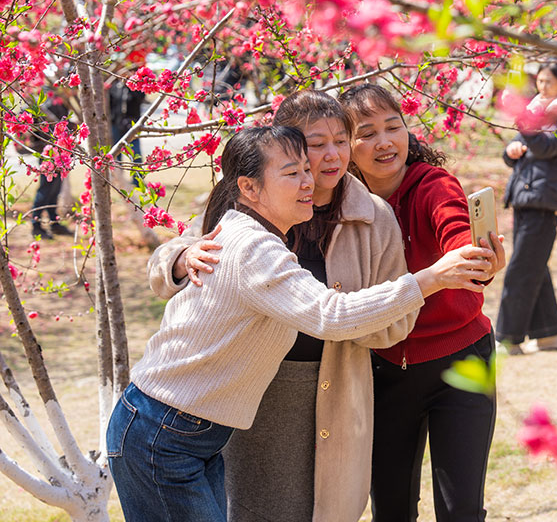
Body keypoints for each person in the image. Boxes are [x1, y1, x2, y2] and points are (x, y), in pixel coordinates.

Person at [108, 126, 498, 522]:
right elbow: (332, 315)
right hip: (162, 432)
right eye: (292, 173)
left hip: (181, 431)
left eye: (305, 171)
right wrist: (431, 278)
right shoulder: (254, 248)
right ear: (249, 187)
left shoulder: (253, 234)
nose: (309, 182)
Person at [146, 90, 430, 522]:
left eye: (341, 139)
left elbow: (398, 325)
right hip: (250, 390)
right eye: (316, 144)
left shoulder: (373, 216)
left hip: (333, 385)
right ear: (287, 146)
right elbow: (181, 253)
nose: (333, 155)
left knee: (321, 509)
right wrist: (180, 258)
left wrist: (339, 314)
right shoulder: (247, 196)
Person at [339, 84, 506, 522]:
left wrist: (476, 261)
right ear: (348, 147)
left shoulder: (433, 185)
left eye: (393, 127)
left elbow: (455, 228)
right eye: (367, 133)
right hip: (383, 370)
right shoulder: (345, 207)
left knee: (461, 509)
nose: (384, 141)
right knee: (391, 509)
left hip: (461, 361)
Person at [494, 60, 557, 355]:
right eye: (540, 82)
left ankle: (508, 338)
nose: (542, 88)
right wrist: (511, 151)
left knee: (521, 269)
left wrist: (522, 119)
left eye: (549, 83)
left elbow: (544, 147)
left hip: (544, 200)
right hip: (527, 196)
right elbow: (515, 151)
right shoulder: (538, 111)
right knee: (533, 266)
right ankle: (549, 334)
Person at [30, 94, 75, 239]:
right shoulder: (48, 104)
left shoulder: (61, 101)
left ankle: (54, 222)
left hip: (60, 154)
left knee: (55, 189)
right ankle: (36, 225)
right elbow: (45, 131)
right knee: (45, 189)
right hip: (49, 154)